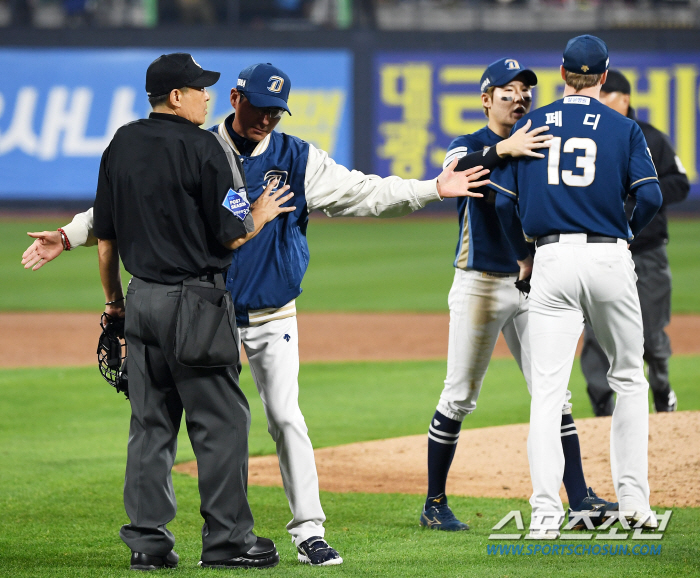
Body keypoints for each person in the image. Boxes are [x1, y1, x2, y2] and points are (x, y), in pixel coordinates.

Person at [22, 62, 544, 563]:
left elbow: (365, 192)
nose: (268, 118)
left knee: (285, 420)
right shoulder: (202, 147)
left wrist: (431, 187)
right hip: (206, 313)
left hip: (270, 313)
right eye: (260, 107)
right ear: (235, 99)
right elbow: (134, 202)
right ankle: (212, 540)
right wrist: (70, 234)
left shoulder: (297, 157)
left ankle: (309, 531)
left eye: (277, 110)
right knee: (208, 426)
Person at [91, 53, 296, 570]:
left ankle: (147, 543)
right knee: (222, 423)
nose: (208, 96)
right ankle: (228, 544)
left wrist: (114, 304)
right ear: (176, 96)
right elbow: (232, 234)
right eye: (200, 89)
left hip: (140, 300)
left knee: (150, 425)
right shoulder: (207, 148)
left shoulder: (121, 143)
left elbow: (106, 238)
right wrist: (263, 215)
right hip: (196, 303)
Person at [420, 57, 616, 533]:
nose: (520, 97)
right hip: (480, 283)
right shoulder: (469, 144)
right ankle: (434, 503)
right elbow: (457, 175)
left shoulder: (544, 143)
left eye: (526, 90)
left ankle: (581, 497)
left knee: (556, 394)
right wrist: (505, 149)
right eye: (507, 90)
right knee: (460, 395)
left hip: (534, 285)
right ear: (486, 99)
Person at [491, 35, 663, 536]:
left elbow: (503, 204)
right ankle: (636, 505)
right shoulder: (624, 127)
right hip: (608, 254)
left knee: (547, 392)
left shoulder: (531, 123)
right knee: (629, 378)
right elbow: (649, 196)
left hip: (551, 259)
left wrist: (525, 256)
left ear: (563, 75)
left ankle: (546, 513)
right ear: (604, 77)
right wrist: (626, 231)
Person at [580, 70, 690, 416]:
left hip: (647, 252)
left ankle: (661, 390)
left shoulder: (651, 138)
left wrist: (643, 195)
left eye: (606, 95)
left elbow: (680, 183)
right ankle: (601, 405)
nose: (599, 101)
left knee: (653, 333)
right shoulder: (591, 135)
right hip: (600, 250)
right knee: (596, 333)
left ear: (624, 99)